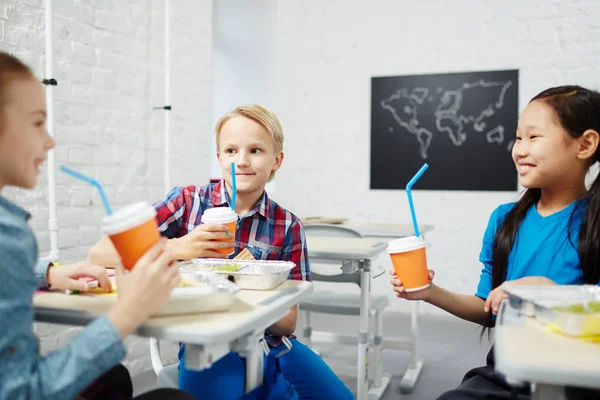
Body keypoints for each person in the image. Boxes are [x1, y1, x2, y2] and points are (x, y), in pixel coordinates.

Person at [89, 104, 354, 400]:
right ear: (219, 158)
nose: (241, 161)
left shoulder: (287, 225)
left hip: (272, 345)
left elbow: (287, 322)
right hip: (205, 343)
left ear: (276, 160)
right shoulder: (186, 202)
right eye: (231, 151)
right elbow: (99, 253)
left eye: (255, 150)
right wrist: (179, 246)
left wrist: (251, 283)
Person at [0, 51, 193, 400]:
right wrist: (128, 312)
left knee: (113, 378)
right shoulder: (8, 238)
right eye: (37, 122)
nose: (50, 140)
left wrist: (47, 274)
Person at [390, 85, 600, 399]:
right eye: (518, 137)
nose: (519, 149)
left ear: (585, 145)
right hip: (507, 368)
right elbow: (487, 308)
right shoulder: (504, 221)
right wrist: (429, 292)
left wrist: (547, 290)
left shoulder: (593, 225)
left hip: (579, 375)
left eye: (534, 137)